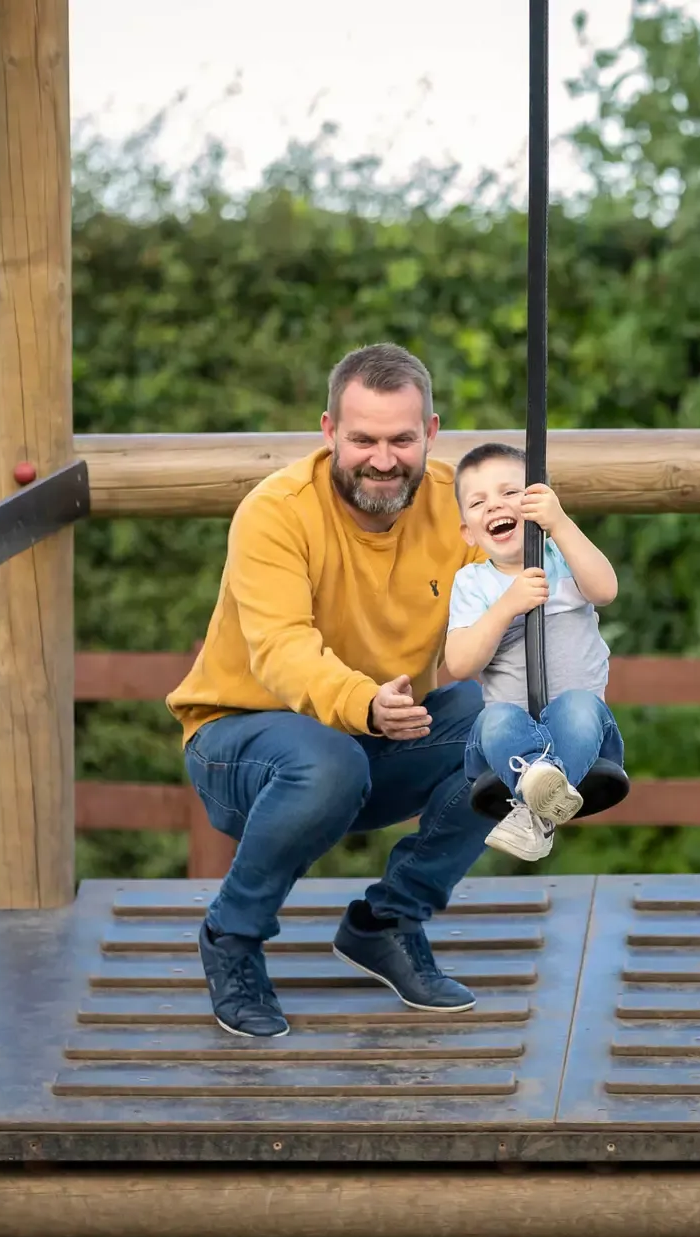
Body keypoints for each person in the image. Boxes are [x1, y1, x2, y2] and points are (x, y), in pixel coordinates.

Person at [165, 343, 497, 1039]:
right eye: (363, 440)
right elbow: (283, 651)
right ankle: (233, 935)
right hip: (242, 740)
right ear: (328, 433)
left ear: (432, 434)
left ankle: (388, 922)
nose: (383, 459)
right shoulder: (276, 512)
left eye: (402, 439)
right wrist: (364, 704)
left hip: (380, 734)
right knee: (328, 759)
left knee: (495, 729)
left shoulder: (460, 506)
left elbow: (514, 608)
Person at [444, 442, 626, 862]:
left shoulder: (562, 556)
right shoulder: (473, 583)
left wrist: (560, 523)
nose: (495, 506)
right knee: (493, 719)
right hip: (507, 740)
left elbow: (605, 589)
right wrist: (507, 605)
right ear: (468, 532)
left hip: (579, 733)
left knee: (579, 707)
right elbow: (460, 663)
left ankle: (534, 807)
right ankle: (538, 787)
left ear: (536, 503)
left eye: (510, 493)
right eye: (478, 501)